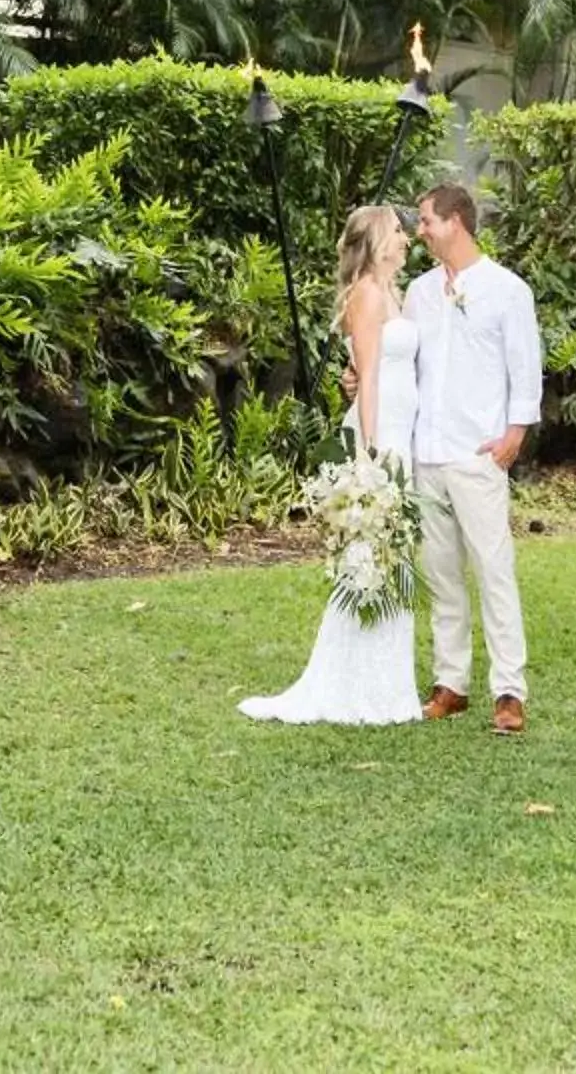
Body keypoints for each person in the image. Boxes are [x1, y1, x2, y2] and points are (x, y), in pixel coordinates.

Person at [238, 203, 422, 725]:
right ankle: (354, 684)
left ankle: (388, 685)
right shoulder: (366, 293)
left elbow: (369, 364)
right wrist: (367, 454)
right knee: (368, 560)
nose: (406, 238)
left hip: (401, 435)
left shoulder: (393, 292)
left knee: (393, 562)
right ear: (377, 241)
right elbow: (367, 379)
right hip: (379, 437)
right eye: (397, 231)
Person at [406, 180, 543, 737]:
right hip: (426, 453)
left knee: (493, 571)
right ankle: (451, 684)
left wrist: (515, 432)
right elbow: (404, 363)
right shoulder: (418, 292)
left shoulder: (509, 290)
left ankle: (509, 691)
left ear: (455, 222)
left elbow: (525, 366)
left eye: (426, 222)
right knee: (441, 575)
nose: (420, 231)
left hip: (477, 452)